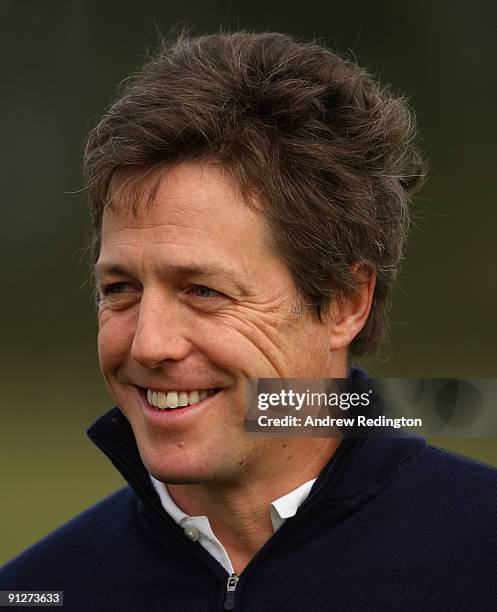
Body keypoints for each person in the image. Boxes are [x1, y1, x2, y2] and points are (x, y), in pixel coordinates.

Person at [1, 31, 496, 611]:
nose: (149, 343)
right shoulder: (38, 590)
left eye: (204, 291)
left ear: (344, 302)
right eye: (121, 289)